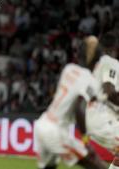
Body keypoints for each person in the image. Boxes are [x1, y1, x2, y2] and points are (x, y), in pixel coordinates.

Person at [34, 36, 108, 169]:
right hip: (55, 132)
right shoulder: (90, 80)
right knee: (95, 163)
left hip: (42, 124)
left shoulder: (68, 69)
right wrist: (85, 140)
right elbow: (80, 108)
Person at [84, 33, 119, 169]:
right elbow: (109, 91)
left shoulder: (94, 65)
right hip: (100, 116)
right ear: (115, 47)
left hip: (91, 116)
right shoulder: (110, 62)